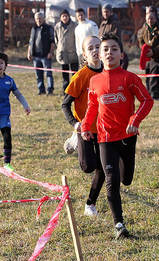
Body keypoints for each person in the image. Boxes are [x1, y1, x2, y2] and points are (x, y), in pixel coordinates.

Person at [81, 32, 154, 239]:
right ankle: (119, 225)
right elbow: (92, 106)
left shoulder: (129, 78)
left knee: (126, 179)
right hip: (105, 138)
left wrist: (134, 121)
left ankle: (123, 176)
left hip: (128, 136)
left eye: (114, 49)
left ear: (121, 55)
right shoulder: (95, 81)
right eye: (105, 50)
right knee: (111, 178)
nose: (109, 53)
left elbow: (147, 101)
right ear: (99, 55)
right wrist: (86, 126)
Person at [61, 36, 105, 217]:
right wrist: (75, 123)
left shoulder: (109, 73)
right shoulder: (81, 76)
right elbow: (65, 104)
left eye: (98, 47)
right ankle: (74, 140)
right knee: (88, 167)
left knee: (104, 166)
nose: (95, 50)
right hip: (85, 128)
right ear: (84, 55)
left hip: (104, 128)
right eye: (91, 48)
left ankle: (90, 203)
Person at [27, 12, 55, 96]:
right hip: (36, 55)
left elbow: (52, 41)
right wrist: (29, 52)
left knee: (48, 74)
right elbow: (31, 42)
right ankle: (41, 90)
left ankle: (50, 90)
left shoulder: (48, 28)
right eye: (37, 19)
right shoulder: (33, 29)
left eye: (40, 18)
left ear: (43, 19)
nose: (38, 20)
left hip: (46, 55)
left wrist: (51, 52)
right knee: (38, 74)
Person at [54, 9, 78, 94]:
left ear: (69, 16)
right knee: (65, 74)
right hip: (62, 54)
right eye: (63, 16)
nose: (64, 18)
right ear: (60, 17)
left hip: (73, 53)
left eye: (66, 16)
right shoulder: (57, 26)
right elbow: (56, 38)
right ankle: (65, 90)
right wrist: (59, 48)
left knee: (74, 74)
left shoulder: (75, 25)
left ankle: (74, 90)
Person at [99, 3, 128, 70]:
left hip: (112, 50)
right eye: (104, 12)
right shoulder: (102, 24)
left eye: (107, 11)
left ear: (111, 12)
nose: (105, 13)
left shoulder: (115, 23)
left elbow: (115, 37)